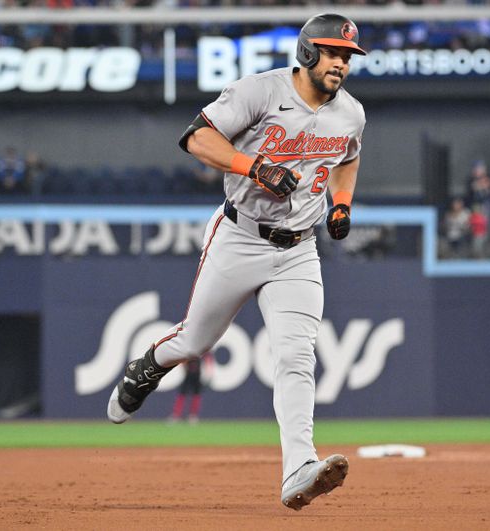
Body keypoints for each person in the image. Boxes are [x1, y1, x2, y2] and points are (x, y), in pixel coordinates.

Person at [106, 13, 363, 511]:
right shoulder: (260, 91)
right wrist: (255, 166)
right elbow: (196, 138)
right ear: (308, 52)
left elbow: (347, 157)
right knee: (195, 341)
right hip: (240, 236)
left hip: (298, 250)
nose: (341, 63)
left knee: (296, 358)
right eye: (333, 52)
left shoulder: (350, 113)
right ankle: (147, 367)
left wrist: (342, 203)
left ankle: (298, 470)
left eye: (348, 56)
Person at [167, 351, 214, 425]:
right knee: (182, 394)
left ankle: (193, 415)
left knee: (196, 394)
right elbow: (182, 359)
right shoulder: (189, 348)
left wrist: (209, 370)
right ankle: (176, 415)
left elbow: (207, 358)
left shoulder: (202, 348)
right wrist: (184, 366)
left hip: (197, 375)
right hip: (188, 374)